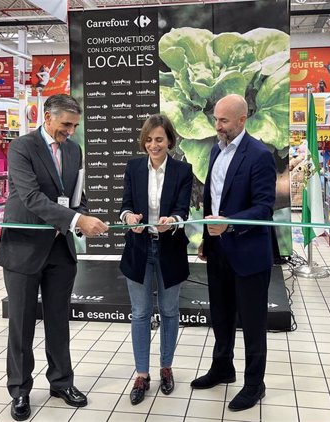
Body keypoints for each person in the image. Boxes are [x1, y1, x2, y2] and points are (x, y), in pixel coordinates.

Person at [0, 94, 108, 421]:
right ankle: (19, 390)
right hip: (23, 247)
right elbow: (31, 197)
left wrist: (82, 215)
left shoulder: (74, 150)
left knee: (59, 320)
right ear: (47, 117)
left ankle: (61, 382)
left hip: (60, 249)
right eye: (65, 125)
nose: (70, 131)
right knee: (22, 323)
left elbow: (78, 196)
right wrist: (75, 221)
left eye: (74, 126)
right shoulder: (21, 147)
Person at [192, 94, 276, 411]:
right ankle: (222, 368)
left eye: (224, 120)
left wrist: (230, 225)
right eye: (216, 119)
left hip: (249, 252)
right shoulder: (216, 150)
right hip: (218, 250)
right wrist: (205, 239)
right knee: (222, 315)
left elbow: (264, 208)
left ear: (242, 120)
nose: (218, 126)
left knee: (253, 322)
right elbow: (213, 202)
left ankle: (255, 384)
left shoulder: (260, 155)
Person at [119, 114, 192, 405]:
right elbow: (125, 204)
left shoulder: (183, 171)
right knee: (140, 313)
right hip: (139, 249)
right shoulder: (133, 167)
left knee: (170, 311)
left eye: (159, 139)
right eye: (148, 139)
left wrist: (171, 220)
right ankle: (141, 374)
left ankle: (166, 367)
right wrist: (129, 218)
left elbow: (183, 210)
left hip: (170, 249)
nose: (153, 144)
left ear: (170, 141)